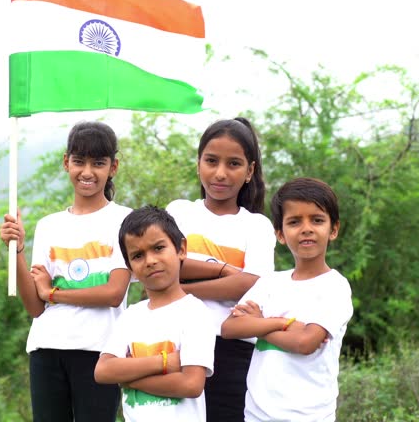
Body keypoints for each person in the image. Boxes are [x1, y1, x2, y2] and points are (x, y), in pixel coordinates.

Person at [0, 121, 132, 422]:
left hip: (100, 352)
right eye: (79, 161)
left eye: (98, 163)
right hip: (47, 350)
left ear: (113, 167)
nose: (87, 172)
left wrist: (54, 293)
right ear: (65, 163)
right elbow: (36, 306)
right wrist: (18, 249)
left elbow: (113, 293)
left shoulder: (126, 221)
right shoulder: (48, 225)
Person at [165, 117, 275, 421]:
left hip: (232, 351)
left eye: (234, 164)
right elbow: (166, 263)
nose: (220, 173)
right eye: (211, 161)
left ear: (250, 170)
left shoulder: (256, 226)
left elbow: (252, 283)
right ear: (199, 162)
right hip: (175, 344)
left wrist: (182, 290)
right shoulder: (179, 212)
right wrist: (225, 271)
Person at [221, 177, 353, 422]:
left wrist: (259, 323)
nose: (306, 228)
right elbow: (230, 327)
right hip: (256, 415)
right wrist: (281, 324)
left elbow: (305, 344)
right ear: (280, 234)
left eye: (317, 220)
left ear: (333, 229)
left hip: (308, 416)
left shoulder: (335, 287)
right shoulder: (270, 283)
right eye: (294, 221)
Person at [94, 206, 215, 422]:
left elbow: (191, 384)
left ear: (181, 249)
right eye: (138, 255)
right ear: (129, 266)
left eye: (158, 248)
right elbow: (103, 371)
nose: (150, 261)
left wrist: (128, 378)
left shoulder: (196, 313)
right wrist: (165, 362)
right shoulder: (131, 316)